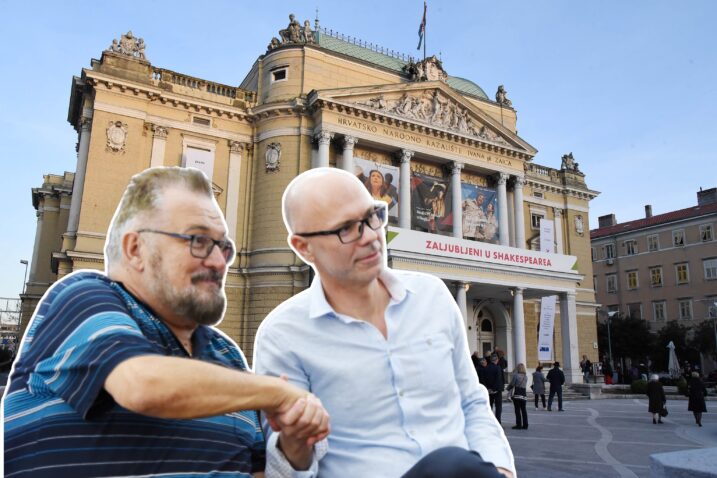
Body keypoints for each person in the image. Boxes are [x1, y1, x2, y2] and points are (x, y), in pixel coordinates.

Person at [3, 167, 329, 477]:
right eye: (198, 241)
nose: (219, 261)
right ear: (135, 249)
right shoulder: (84, 298)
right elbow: (142, 385)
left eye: (223, 247)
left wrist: (294, 445)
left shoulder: (227, 356)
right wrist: (278, 392)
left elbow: (256, 471)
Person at [254, 167, 515, 478]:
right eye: (346, 229)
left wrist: (500, 468)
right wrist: (295, 443)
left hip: (466, 471)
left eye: (373, 216)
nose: (370, 237)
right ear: (303, 247)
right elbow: (284, 469)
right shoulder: (282, 334)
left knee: (454, 464)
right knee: (450, 464)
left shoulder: (433, 296)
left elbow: (472, 404)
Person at [483, 353, 505, 424]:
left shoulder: (486, 368)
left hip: (489, 391)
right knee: (498, 407)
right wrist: (494, 389)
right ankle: (498, 422)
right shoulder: (498, 368)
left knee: (489, 406)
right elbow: (499, 379)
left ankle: (489, 422)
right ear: (497, 360)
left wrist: (488, 388)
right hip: (497, 391)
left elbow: (483, 379)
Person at [506, 363, 529, 430]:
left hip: (517, 394)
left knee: (517, 410)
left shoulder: (516, 376)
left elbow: (512, 384)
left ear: (518, 368)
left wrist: (507, 389)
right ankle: (525, 425)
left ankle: (518, 425)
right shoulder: (526, 377)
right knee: (524, 410)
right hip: (523, 394)